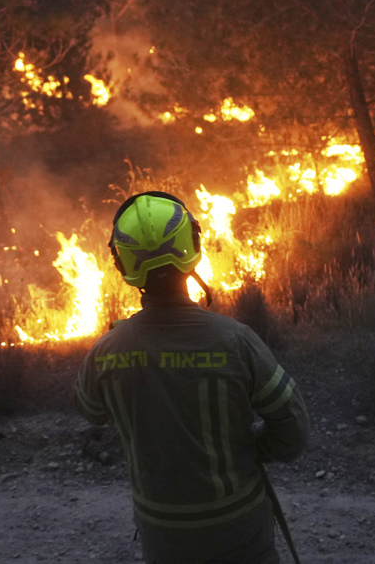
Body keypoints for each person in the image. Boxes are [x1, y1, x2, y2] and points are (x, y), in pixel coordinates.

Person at [72, 191, 310, 564]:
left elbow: (90, 410)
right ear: (194, 245)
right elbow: (293, 428)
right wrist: (251, 450)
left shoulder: (107, 353)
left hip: (162, 534)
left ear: (122, 265)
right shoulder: (235, 341)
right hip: (239, 528)